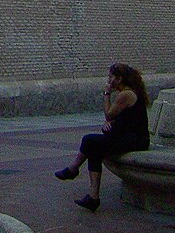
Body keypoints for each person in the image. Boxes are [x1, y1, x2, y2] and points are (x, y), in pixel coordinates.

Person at [54, 62, 150, 211]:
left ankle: (73, 169)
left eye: (110, 77)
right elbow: (118, 118)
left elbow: (109, 113)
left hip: (136, 140)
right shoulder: (128, 93)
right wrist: (108, 123)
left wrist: (106, 94)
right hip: (129, 137)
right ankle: (93, 197)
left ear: (118, 79)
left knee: (88, 140)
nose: (108, 80)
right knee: (94, 149)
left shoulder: (126, 94)